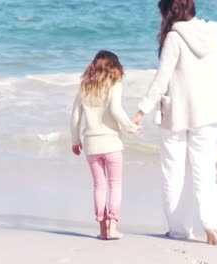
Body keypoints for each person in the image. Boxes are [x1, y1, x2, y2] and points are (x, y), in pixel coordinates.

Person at [132, 0, 217, 245]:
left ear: (169, 11)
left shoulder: (174, 37)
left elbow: (162, 79)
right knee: (206, 171)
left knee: (173, 172)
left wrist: (142, 110)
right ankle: (211, 224)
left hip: (177, 112)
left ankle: (180, 230)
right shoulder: (216, 35)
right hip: (208, 111)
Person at [71, 50, 138, 240]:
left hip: (91, 146)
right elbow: (116, 110)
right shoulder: (115, 85)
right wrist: (131, 127)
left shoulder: (84, 87)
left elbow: (75, 117)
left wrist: (75, 140)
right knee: (115, 185)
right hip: (112, 143)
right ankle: (113, 227)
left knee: (99, 186)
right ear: (115, 67)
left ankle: (102, 229)